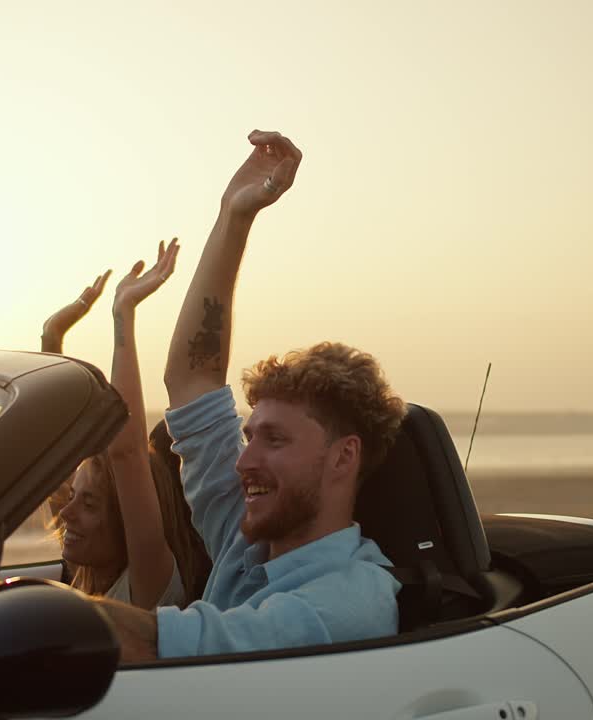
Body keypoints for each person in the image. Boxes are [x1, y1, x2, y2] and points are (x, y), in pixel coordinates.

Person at [89, 130, 406, 660]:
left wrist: (42, 611)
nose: (244, 461)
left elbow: (166, 646)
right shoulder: (249, 538)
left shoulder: (344, 605)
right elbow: (192, 380)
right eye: (249, 436)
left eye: (274, 440)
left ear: (343, 456)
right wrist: (234, 217)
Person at [42, 243, 210, 608]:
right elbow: (52, 456)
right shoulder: (86, 568)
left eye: (89, 504)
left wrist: (123, 312)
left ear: (126, 521)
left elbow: (128, 452)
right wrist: (51, 337)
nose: (66, 514)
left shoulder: (150, 584)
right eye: (73, 497)